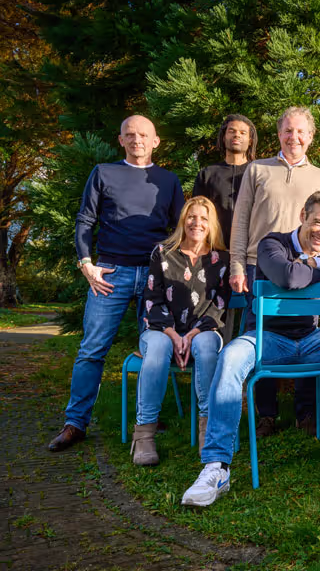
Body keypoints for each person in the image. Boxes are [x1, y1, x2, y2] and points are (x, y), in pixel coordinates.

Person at [180, 191, 320, 507]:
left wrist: (314, 261)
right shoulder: (272, 243)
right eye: (318, 222)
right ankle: (217, 466)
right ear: (303, 216)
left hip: (314, 339)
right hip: (267, 340)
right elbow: (287, 276)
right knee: (230, 358)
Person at [48, 115, 184, 452]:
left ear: (156, 141)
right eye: (130, 135)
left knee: (153, 351)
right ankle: (75, 423)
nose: (137, 139)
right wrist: (86, 264)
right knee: (92, 350)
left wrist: (174, 271)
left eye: (144, 135)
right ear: (120, 140)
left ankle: (147, 418)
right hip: (109, 274)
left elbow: (178, 230)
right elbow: (85, 220)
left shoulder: (168, 180)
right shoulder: (103, 173)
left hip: (155, 275)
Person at [228, 106, 320, 436]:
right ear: (279, 135)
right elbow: (241, 220)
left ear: (311, 137)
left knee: (307, 335)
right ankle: (266, 414)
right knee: (258, 338)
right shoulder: (257, 170)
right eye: (288, 130)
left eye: (300, 131)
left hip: (304, 269)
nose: (294, 137)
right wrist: (236, 264)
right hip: (257, 267)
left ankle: (305, 413)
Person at [131, 196, 230, 465]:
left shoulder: (221, 259)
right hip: (160, 330)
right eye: (192, 216)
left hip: (202, 330)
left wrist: (192, 335)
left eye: (204, 219)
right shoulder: (162, 252)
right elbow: (152, 298)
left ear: (212, 226)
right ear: (183, 220)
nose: (197, 223)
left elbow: (219, 304)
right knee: (159, 349)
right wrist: (173, 334)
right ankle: (144, 435)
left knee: (208, 347)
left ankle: (208, 433)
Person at [192, 114, 258, 247]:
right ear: (223, 137)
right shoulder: (207, 174)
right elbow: (197, 213)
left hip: (250, 251)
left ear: (250, 140)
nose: (237, 135)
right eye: (231, 131)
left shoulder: (258, 173)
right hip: (214, 250)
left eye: (243, 132)